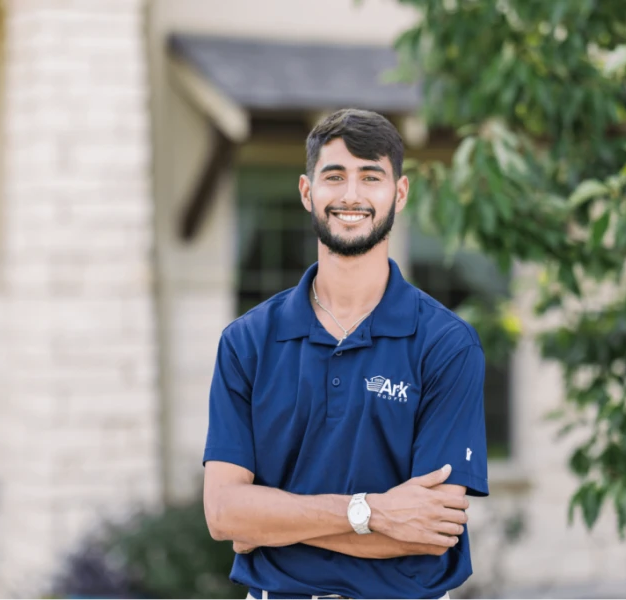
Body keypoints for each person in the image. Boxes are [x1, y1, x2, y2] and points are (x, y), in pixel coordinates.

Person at [203, 108, 489, 600]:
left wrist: (271, 524)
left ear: (399, 193)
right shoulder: (246, 342)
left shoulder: (446, 344)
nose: (351, 195)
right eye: (334, 176)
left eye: (370, 177)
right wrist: (372, 513)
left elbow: (427, 530)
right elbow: (225, 515)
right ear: (306, 191)